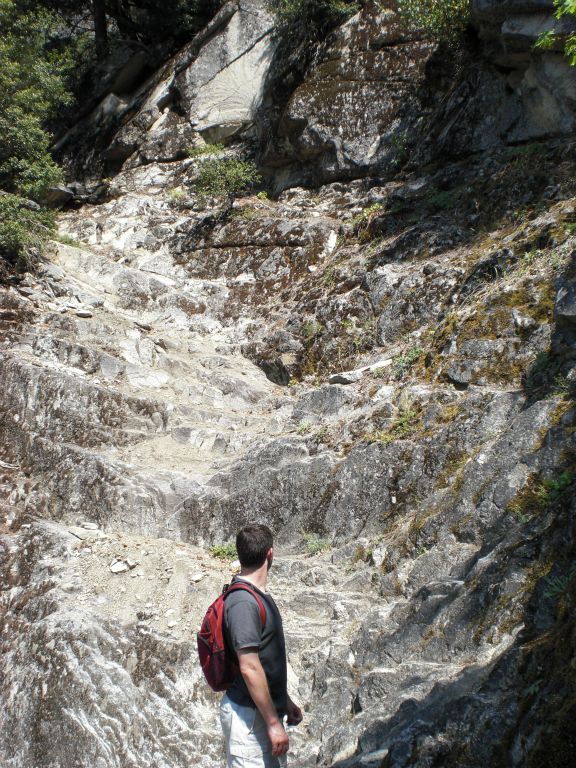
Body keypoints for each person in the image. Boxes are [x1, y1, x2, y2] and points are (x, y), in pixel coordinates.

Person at [220, 523, 303, 768]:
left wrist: (283, 700)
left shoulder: (257, 597)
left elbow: (266, 658)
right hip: (248, 719)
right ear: (270, 554)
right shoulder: (243, 603)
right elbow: (249, 667)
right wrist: (274, 724)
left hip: (260, 715)